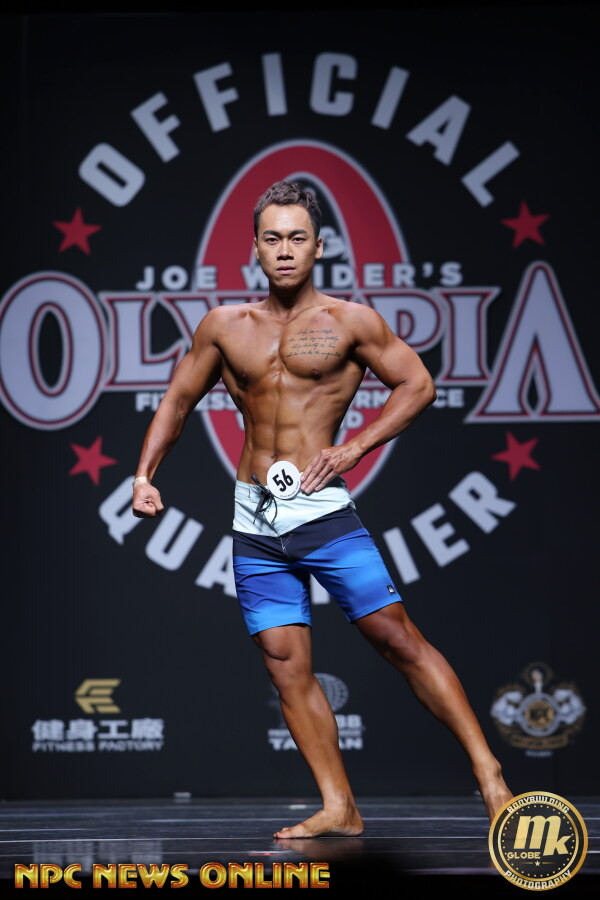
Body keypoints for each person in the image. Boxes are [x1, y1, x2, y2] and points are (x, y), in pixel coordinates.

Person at [132, 181, 512, 838]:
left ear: (319, 247)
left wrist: (357, 445)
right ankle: (340, 806)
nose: (285, 250)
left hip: (322, 513)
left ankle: (490, 775)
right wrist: (144, 475)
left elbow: (418, 384)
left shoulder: (350, 322)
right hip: (254, 521)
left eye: (297, 238)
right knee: (285, 665)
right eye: (272, 238)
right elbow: (176, 401)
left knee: (397, 639)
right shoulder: (224, 326)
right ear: (255, 248)